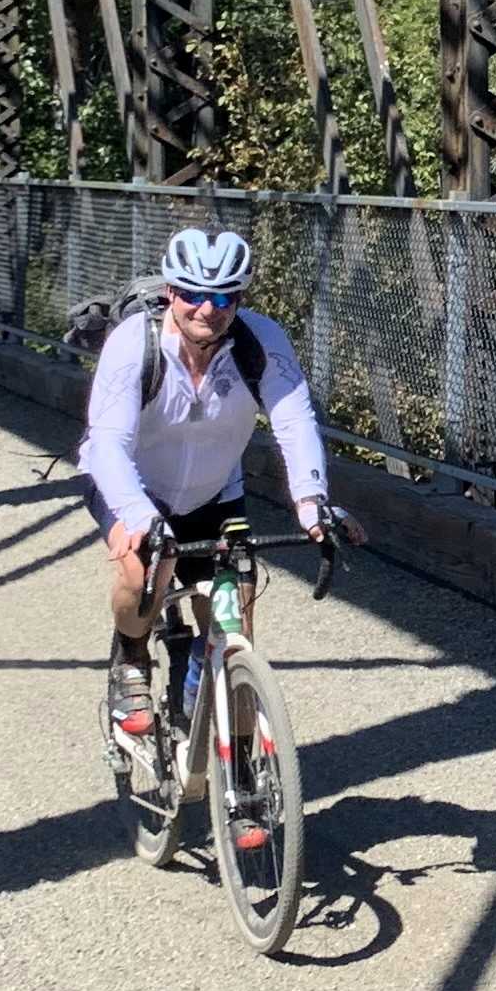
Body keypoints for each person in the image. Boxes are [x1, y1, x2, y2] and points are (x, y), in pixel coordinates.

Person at [79, 225, 362, 747]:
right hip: (131, 483)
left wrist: (311, 502)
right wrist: (138, 520)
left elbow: (295, 423)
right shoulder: (133, 344)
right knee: (146, 569)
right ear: (170, 293)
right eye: (191, 293)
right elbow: (108, 444)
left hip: (214, 491)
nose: (206, 308)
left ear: (239, 298)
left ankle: (239, 769)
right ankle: (131, 659)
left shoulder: (260, 341)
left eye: (223, 296)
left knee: (235, 619)